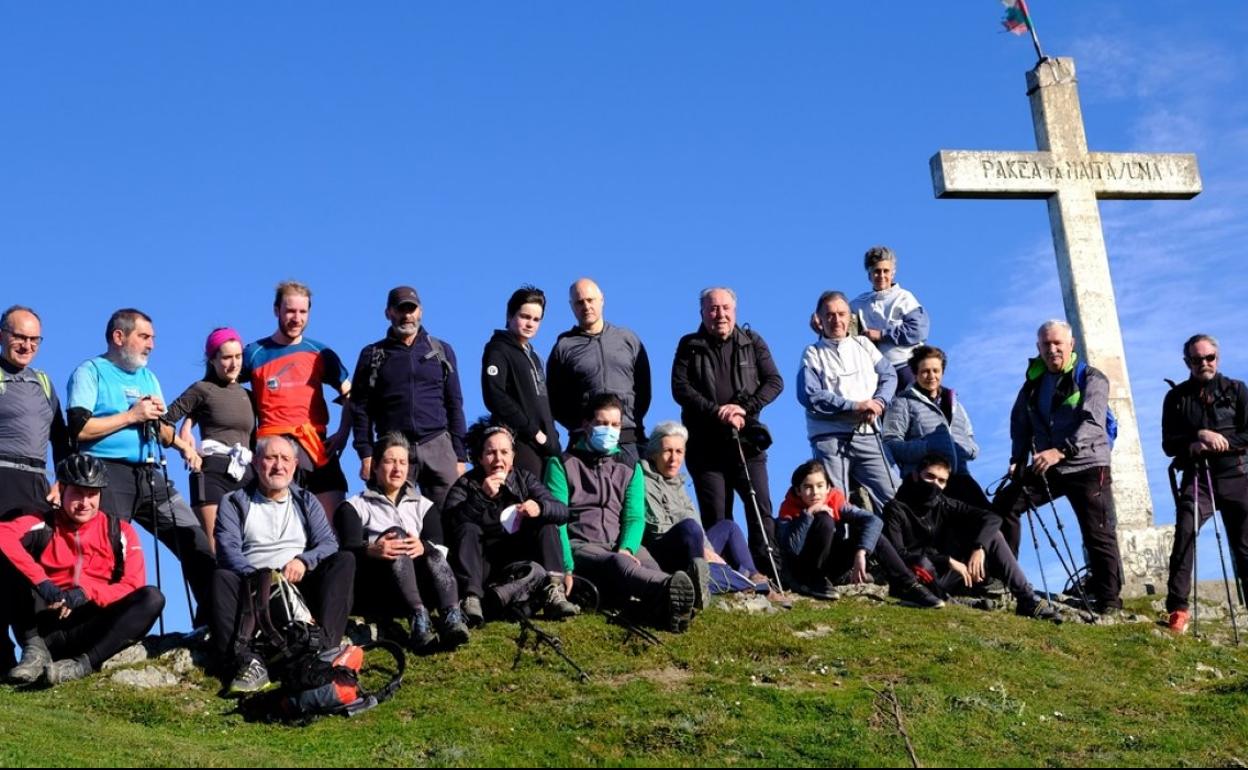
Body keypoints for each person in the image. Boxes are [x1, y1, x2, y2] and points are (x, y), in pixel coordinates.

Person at [65, 308, 215, 619]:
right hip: (107, 473)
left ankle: (214, 619)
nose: (151, 345)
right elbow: (79, 429)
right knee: (110, 553)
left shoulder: (148, 377)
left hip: (149, 473)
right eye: (144, 337)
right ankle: (104, 629)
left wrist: (182, 444)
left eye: (153, 338)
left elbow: (157, 427)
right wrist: (132, 415)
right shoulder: (90, 372)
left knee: (195, 540)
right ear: (119, 337)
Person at [1, 454, 165, 686]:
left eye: (92, 494)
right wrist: (44, 584)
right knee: (8, 560)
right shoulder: (43, 521)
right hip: (44, 626)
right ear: (63, 489)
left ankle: (83, 666)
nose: (85, 503)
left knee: (152, 597)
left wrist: (86, 592)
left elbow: (133, 585)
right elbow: (3, 536)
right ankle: (34, 650)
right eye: (77, 493)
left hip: (90, 626)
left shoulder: (121, 531)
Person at [993, 320, 1122, 614]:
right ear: (1038, 348)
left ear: (1071, 344)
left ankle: (1109, 601)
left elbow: (1093, 421)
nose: (1052, 349)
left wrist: (1060, 451)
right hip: (1050, 465)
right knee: (1005, 504)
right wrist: (1017, 460)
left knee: (1096, 533)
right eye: (1046, 345)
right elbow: (1020, 424)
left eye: (1057, 343)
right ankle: (1005, 579)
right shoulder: (1033, 384)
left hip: (1088, 464)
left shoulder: (1091, 378)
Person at [211, 436, 355, 695]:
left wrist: (304, 560)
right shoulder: (234, 502)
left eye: (285, 459)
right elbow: (227, 551)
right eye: (270, 458)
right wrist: (264, 579)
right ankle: (243, 661)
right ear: (256, 463)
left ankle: (325, 649)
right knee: (221, 576)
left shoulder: (306, 501)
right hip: (252, 587)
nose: (278, 466)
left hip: (298, 582)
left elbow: (328, 543)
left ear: (295, 465)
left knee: (344, 560)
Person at [547, 394, 698, 631]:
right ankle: (672, 592)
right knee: (620, 564)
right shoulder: (561, 464)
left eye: (615, 425)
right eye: (602, 424)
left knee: (647, 566)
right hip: (583, 546)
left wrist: (627, 547)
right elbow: (557, 521)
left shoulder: (630, 466)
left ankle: (671, 609)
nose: (609, 430)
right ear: (587, 425)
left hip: (622, 543)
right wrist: (566, 565)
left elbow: (634, 516)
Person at [672, 287, 784, 579]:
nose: (719, 314)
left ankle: (767, 570)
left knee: (760, 507)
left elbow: (774, 381)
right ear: (702, 313)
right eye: (712, 309)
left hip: (746, 442)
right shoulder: (690, 345)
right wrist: (716, 411)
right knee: (716, 513)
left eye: (725, 308)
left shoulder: (752, 341)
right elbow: (680, 389)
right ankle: (726, 575)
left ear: (734, 310)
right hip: (705, 445)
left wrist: (743, 408)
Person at [350, 286, 468, 542]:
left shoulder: (441, 350)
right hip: (393, 449)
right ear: (388, 313)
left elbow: (455, 403)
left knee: (453, 517)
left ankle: (451, 578)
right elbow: (361, 408)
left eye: (411, 309)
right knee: (393, 520)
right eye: (400, 310)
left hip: (438, 445)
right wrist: (366, 453)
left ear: (420, 311)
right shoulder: (372, 355)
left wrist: (460, 455)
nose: (407, 316)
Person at [335, 433, 469, 652]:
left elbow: (440, 545)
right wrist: (372, 549)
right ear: (375, 467)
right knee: (396, 534)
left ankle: (451, 617)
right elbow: (347, 547)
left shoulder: (424, 506)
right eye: (389, 461)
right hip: (378, 585)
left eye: (402, 462)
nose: (397, 469)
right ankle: (418, 619)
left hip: (420, 581)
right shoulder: (354, 506)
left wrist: (423, 546)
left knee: (433, 552)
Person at [884, 454, 1059, 621]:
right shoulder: (895, 509)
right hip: (915, 579)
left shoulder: (943, 503)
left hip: (946, 575)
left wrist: (979, 547)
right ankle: (956, 602)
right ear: (915, 475)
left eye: (941, 481)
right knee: (922, 564)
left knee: (993, 536)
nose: (935, 484)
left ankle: (1026, 599)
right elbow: (898, 554)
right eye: (930, 477)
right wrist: (947, 561)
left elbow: (992, 518)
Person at [443, 419, 577, 627]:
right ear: (479, 458)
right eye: (491, 453)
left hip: (519, 561)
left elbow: (561, 511)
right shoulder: (466, 484)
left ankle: (554, 593)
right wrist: (481, 497)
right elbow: (451, 525)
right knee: (468, 528)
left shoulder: (525, 479)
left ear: (513, 457)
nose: (498, 459)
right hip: (483, 565)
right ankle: (471, 600)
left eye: (505, 452)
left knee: (547, 523)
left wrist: (540, 507)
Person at [242, 281, 352, 520]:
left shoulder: (320, 352)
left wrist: (343, 433)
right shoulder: (254, 353)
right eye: (290, 311)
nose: (296, 318)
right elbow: (219, 385)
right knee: (275, 523)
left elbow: (351, 396)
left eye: (303, 312)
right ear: (276, 311)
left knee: (333, 523)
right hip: (272, 448)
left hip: (314, 445)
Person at [1161, 333, 1248, 634]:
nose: (1204, 364)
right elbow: (1168, 444)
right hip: (1198, 478)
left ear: (1217, 358)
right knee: (1185, 532)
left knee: (1245, 546)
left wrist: (1218, 442)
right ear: (1187, 362)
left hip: (1238, 475)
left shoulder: (1237, 390)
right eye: (1197, 360)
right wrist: (1197, 438)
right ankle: (1178, 610)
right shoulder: (1176, 398)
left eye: (1209, 358)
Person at [778, 460, 942, 608]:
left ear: (828, 487)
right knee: (824, 519)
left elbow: (873, 521)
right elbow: (792, 549)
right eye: (808, 487)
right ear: (798, 491)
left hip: (831, 564)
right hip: (803, 569)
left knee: (874, 534)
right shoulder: (788, 509)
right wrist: (808, 514)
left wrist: (861, 551)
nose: (815, 492)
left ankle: (908, 586)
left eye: (820, 486)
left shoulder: (835, 499)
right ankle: (814, 580)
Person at [640, 421, 771, 597]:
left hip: (694, 550)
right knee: (689, 527)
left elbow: (699, 530)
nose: (674, 458)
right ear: (655, 454)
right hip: (665, 551)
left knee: (728, 527)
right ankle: (727, 581)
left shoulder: (678, 483)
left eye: (679, 452)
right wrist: (703, 552)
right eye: (667, 451)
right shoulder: (644, 481)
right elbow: (658, 528)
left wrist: (708, 552)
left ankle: (753, 577)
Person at [797, 290, 898, 511]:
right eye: (830, 315)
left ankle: (899, 546)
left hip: (867, 433)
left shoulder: (864, 344)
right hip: (829, 438)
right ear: (819, 319)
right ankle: (843, 545)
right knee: (836, 503)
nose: (836, 320)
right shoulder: (813, 353)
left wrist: (879, 403)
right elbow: (809, 395)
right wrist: (856, 406)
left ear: (850, 317)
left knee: (893, 498)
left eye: (842, 314)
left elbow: (889, 375)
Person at [164, 327, 256, 551]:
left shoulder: (250, 395)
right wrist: (185, 447)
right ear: (212, 359)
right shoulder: (202, 389)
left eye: (238, 356)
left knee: (251, 550)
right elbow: (162, 422)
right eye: (226, 357)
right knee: (218, 549)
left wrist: (189, 421)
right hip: (213, 472)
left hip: (247, 474)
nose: (234, 364)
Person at [547, 278, 652, 466]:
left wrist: (629, 418)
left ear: (602, 299)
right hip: (584, 441)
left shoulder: (627, 339)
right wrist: (582, 424)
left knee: (633, 493)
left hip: (629, 440)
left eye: (590, 300)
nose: (586, 306)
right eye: (580, 302)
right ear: (572, 306)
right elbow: (555, 400)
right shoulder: (563, 347)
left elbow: (644, 389)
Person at [882, 345, 989, 509]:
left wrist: (970, 449)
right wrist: (928, 448)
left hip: (960, 476)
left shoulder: (955, 404)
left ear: (942, 372)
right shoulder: (902, 402)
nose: (931, 376)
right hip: (925, 481)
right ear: (915, 373)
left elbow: (969, 436)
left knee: (993, 524)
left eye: (936, 370)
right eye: (925, 371)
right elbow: (890, 444)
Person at [482, 285, 561, 478]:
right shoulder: (498, 349)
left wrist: (552, 439)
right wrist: (533, 431)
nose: (530, 324)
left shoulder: (534, 357)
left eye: (536, 319)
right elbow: (494, 395)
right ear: (510, 316)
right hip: (519, 443)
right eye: (525, 317)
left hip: (546, 448)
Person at [0, 305, 70, 518]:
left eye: (34, 340)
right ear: (1, 335)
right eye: (20, 337)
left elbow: (60, 439)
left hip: (38, 486)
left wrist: (62, 482)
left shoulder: (43, 381)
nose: (27, 346)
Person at [849, 246, 930, 391]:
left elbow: (918, 330)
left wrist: (881, 335)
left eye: (885, 271)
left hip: (907, 366)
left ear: (893, 273)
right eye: (876, 271)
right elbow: (842, 329)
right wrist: (821, 325)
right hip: (878, 374)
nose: (881, 276)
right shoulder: (857, 304)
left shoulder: (904, 298)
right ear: (869, 275)